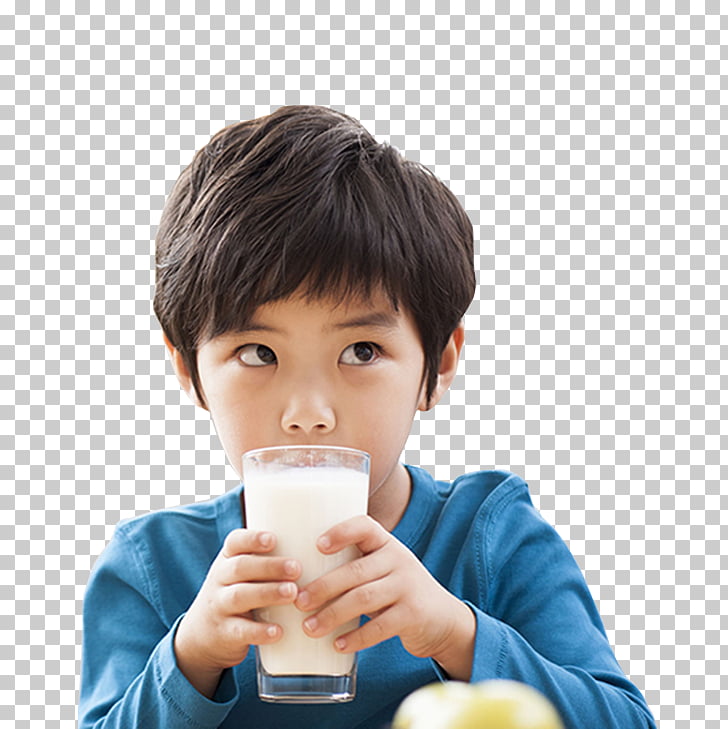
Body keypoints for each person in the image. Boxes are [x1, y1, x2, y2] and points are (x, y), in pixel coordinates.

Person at [79, 105, 655, 729]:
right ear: (190, 370)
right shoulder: (152, 566)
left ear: (438, 364)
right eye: (256, 353)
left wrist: (455, 633)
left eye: (361, 352)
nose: (308, 414)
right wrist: (189, 659)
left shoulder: (490, 538)